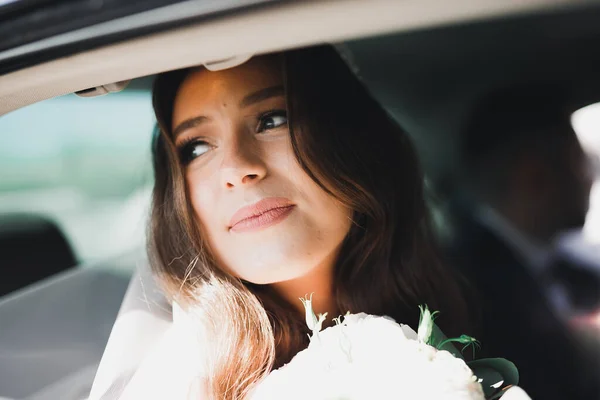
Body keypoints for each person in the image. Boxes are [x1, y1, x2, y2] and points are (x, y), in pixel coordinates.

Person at [143, 45, 471, 399]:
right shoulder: (179, 385)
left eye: (272, 120)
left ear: (353, 143)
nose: (237, 168)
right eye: (196, 148)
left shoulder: (462, 328)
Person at [448, 86, 600, 399]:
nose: (590, 177)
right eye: (578, 160)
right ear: (533, 176)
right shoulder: (464, 291)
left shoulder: (569, 267)